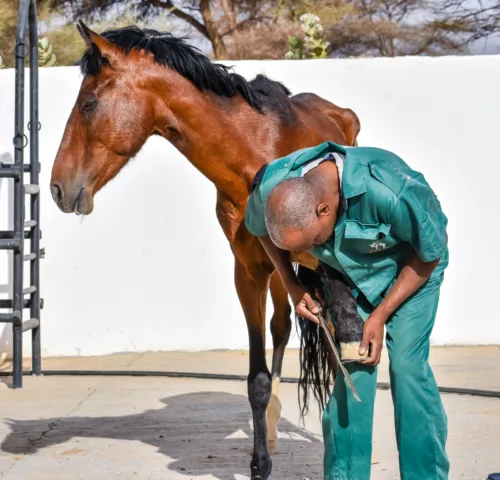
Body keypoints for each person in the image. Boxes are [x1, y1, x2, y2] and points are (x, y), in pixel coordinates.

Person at [244, 141, 450, 480]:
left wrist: (380, 315)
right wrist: (292, 284)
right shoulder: (273, 188)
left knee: (408, 369)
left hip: (411, 269)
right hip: (346, 274)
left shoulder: (387, 191)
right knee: (354, 371)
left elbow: (430, 253)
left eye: (311, 243)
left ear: (324, 210)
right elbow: (260, 229)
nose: (308, 252)